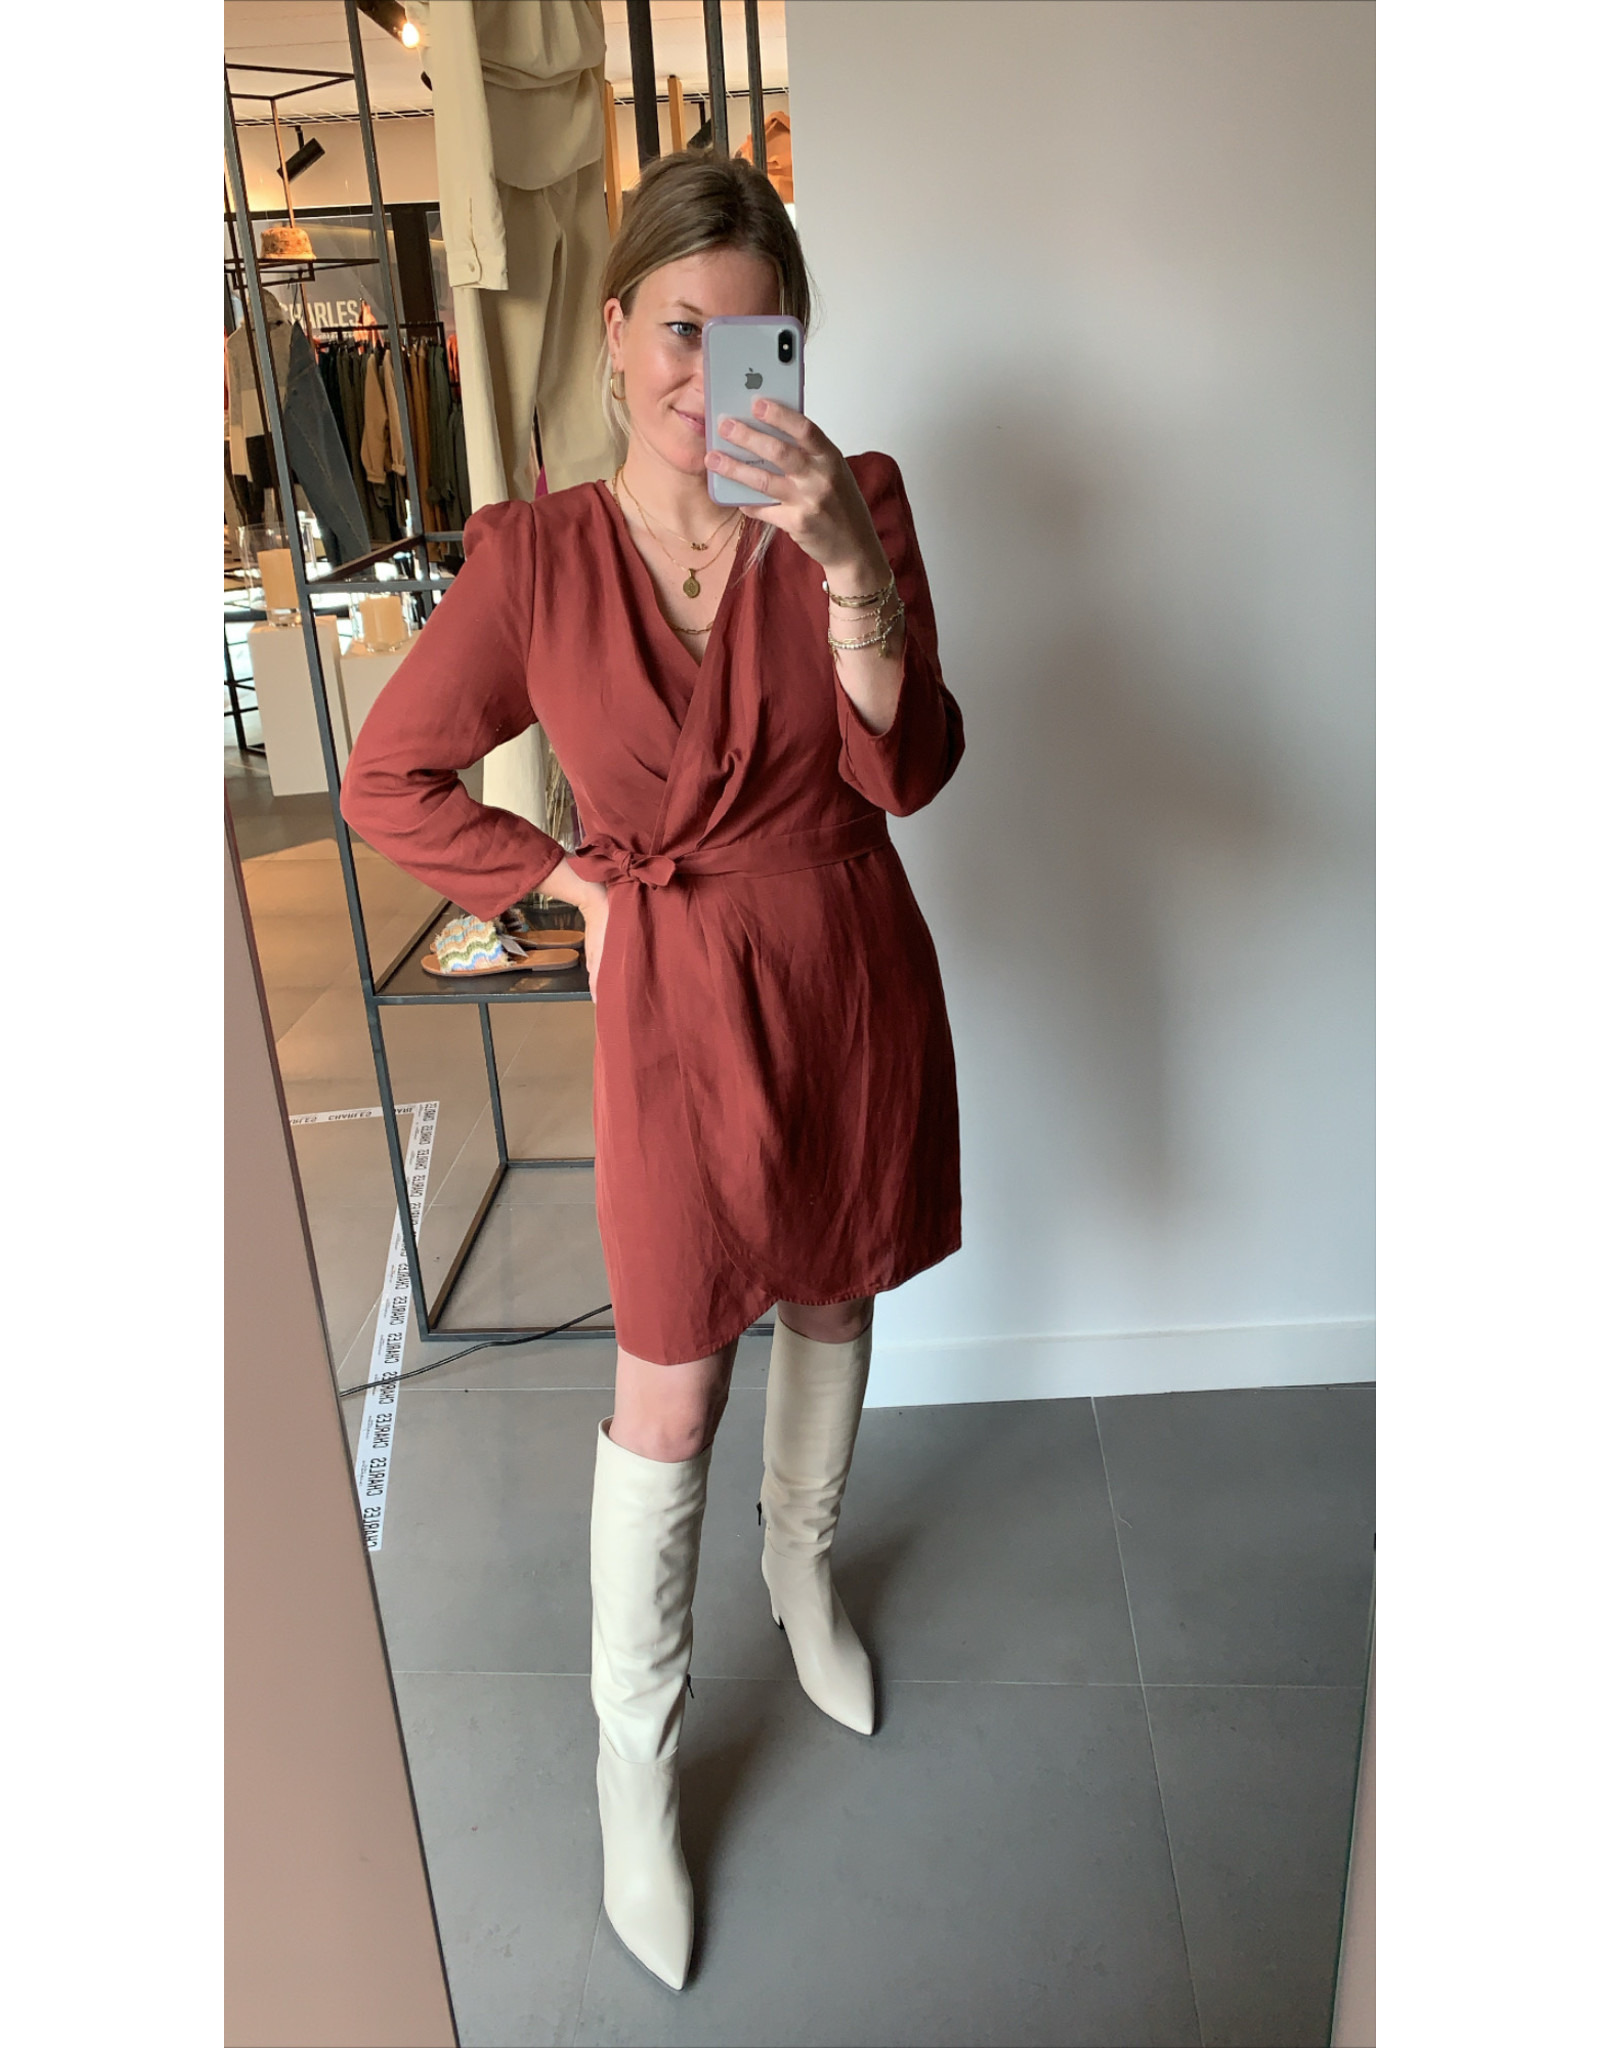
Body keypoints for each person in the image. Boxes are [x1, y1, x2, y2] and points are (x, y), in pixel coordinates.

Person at [339, 151, 964, 1992]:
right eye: (682, 331)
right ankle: (638, 1763)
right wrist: (563, 884)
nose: (711, 378)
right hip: (675, 998)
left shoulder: (857, 503)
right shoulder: (536, 562)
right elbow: (389, 779)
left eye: (756, 339)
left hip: (843, 964)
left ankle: (803, 1568)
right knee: (671, 1387)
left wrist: (849, 567)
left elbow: (908, 768)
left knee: (835, 1292)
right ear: (614, 332)